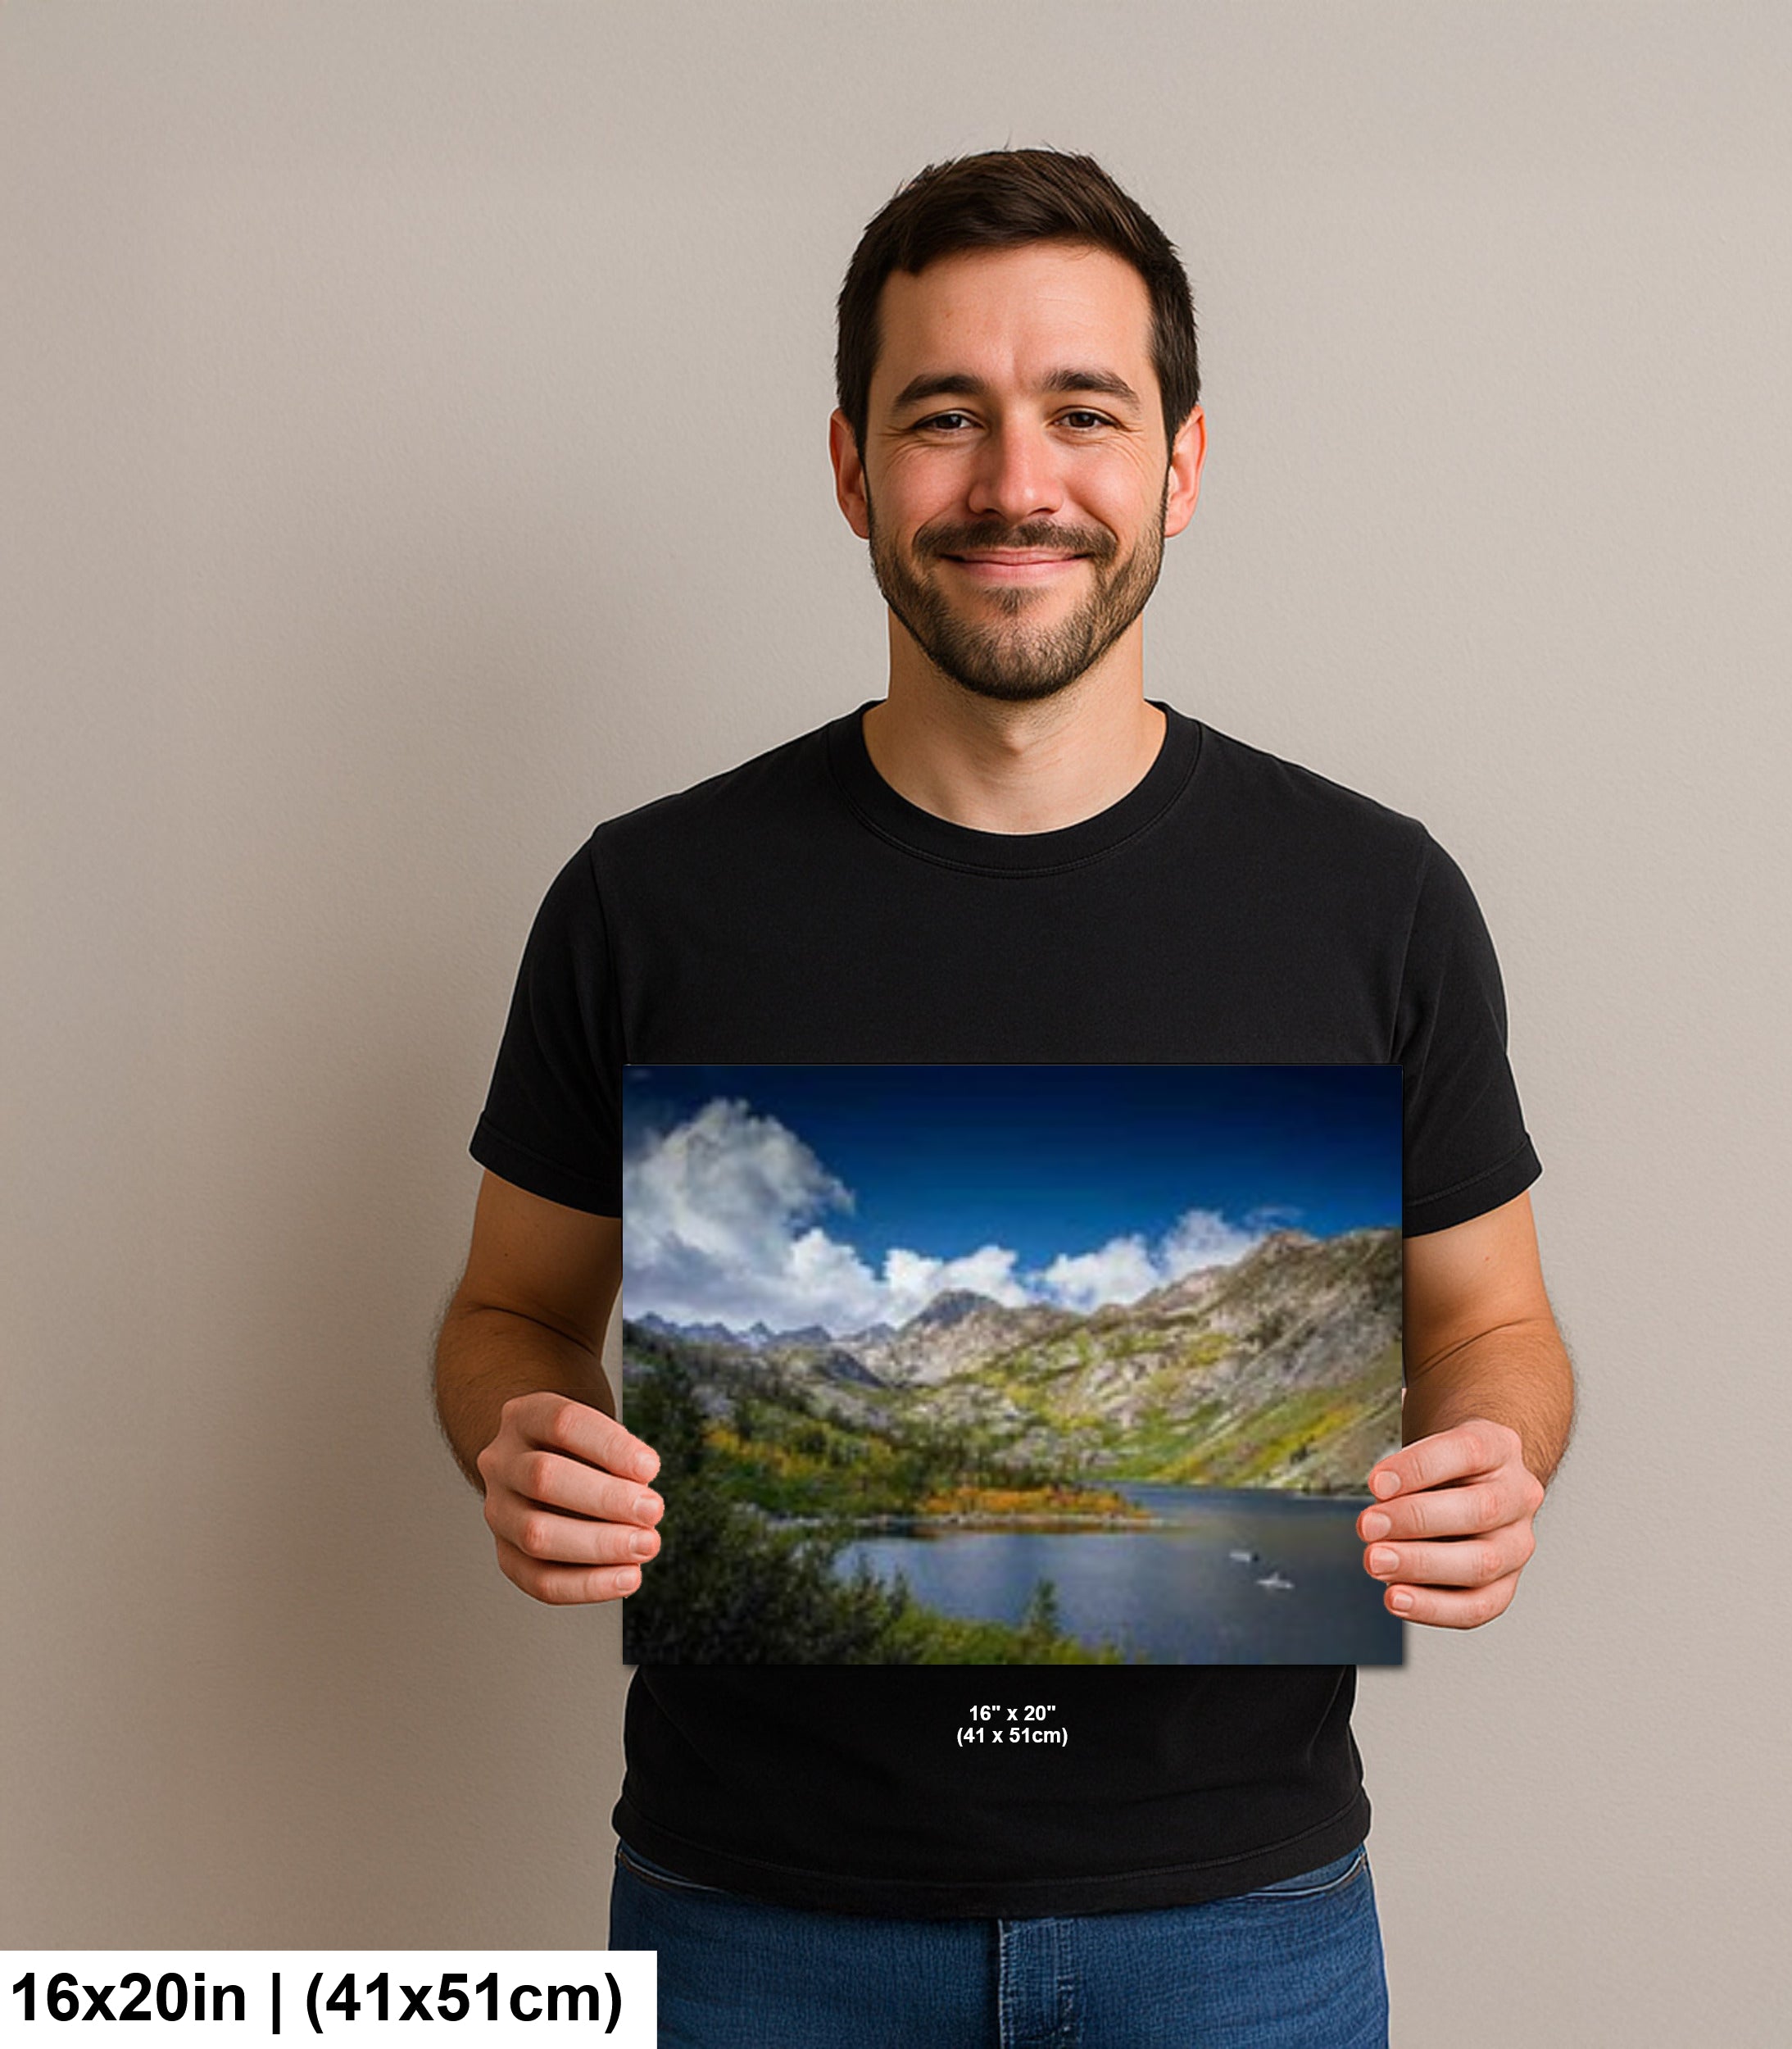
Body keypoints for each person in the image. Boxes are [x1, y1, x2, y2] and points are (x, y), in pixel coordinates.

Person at [434, 148, 1574, 2048]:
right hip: (751, 1932)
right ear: (848, 467)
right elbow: (505, 1311)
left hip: (1241, 1928)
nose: (1014, 482)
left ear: (1180, 466)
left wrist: (1494, 1457)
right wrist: (524, 1433)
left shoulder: (1374, 897)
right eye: (942, 416)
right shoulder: (647, 896)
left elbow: (1498, 1326)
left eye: (1082, 413)